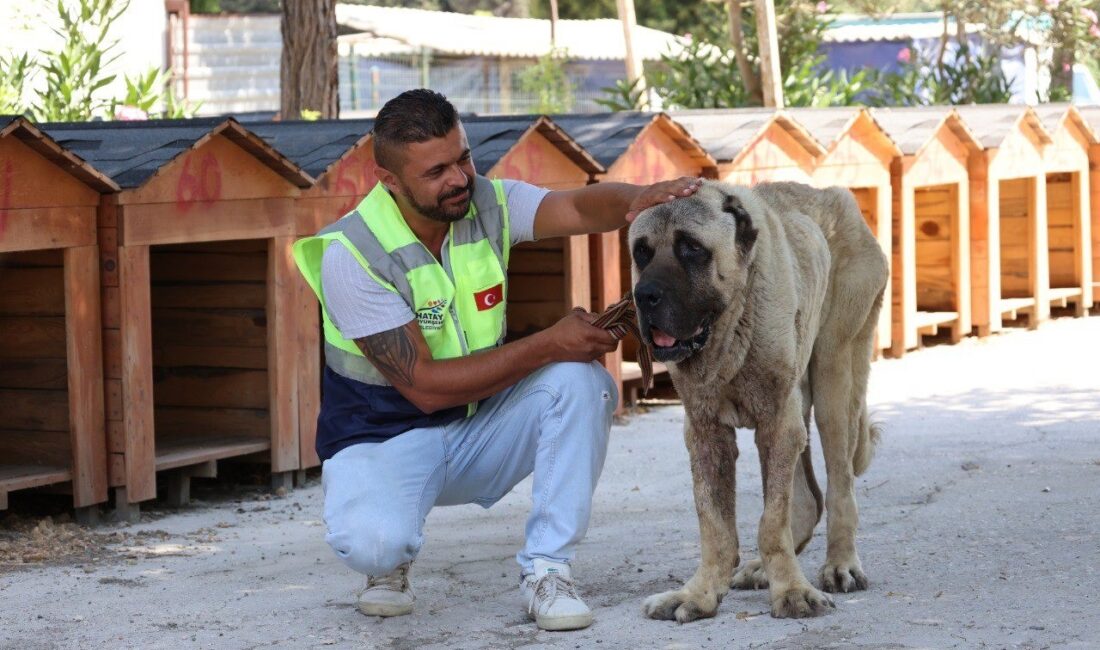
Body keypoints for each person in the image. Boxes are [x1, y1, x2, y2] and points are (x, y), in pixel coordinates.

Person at [293, 89, 699, 632]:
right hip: (384, 440)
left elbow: (577, 206)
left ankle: (548, 570)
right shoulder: (352, 255)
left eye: (463, 157)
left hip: (477, 431)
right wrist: (548, 343)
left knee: (582, 383)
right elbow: (426, 387)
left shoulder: (488, 203)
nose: (460, 178)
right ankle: (389, 563)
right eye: (436, 171)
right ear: (390, 181)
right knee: (373, 544)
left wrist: (638, 199)